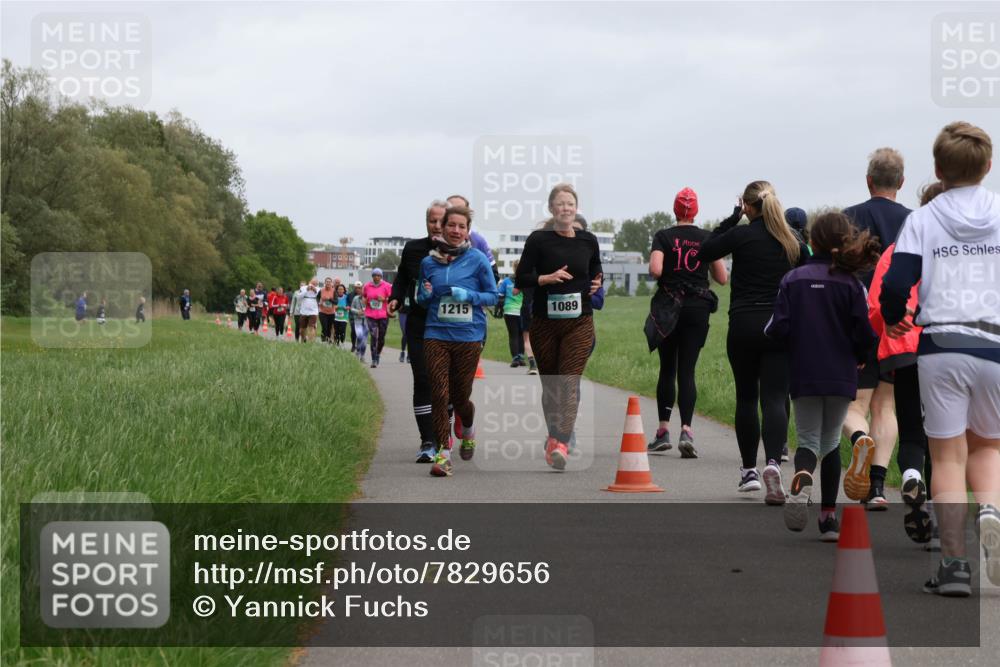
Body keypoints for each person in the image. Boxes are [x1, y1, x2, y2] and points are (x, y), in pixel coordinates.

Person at [881, 121, 1000, 596]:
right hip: (993, 343)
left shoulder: (923, 219)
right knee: (989, 446)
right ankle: (990, 511)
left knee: (947, 457)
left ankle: (954, 567)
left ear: (937, 169)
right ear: (988, 166)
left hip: (940, 345)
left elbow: (895, 282)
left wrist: (894, 317)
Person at [766, 212, 879, 541]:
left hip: (804, 372)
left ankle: (802, 476)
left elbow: (778, 328)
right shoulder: (853, 284)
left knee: (808, 441)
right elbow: (865, 330)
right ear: (846, 242)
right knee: (830, 443)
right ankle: (828, 519)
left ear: (812, 241)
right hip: (842, 375)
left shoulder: (793, 279)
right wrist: (860, 358)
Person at [699, 181, 808, 503]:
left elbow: (705, 251)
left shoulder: (741, 235)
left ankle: (749, 472)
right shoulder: (793, 241)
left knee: (747, 397)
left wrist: (732, 219)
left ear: (747, 206)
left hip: (744, 324)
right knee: (774, 398)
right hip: (778, 325)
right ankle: (773, 462)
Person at [867, 182, 945, 547]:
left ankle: (912, 475)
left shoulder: (897, 250)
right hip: (949, 349)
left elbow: (875, 308)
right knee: (945, 437)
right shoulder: (960, 252)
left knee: (911, 428)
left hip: (903, 350)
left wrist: (891, 328)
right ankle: (939, 510)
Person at [841, 147, 911, 509]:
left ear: (868, 181)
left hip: (858, 325)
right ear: (902, 181)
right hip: (900, 328)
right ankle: (879, 488)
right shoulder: (917, 221)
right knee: (888, 406)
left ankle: (858, 439)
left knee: (855, 406)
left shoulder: (848, 219)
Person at [515, 184, 603, 471]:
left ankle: (562, 442)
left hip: (579, 321)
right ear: (551, 209)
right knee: (551, 384)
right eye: (560, 204)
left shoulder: (588, 240)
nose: (566, 208)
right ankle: (554, 436)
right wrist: (546, 278)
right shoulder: (538, 240)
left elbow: (596, 270)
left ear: (576, 208)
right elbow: (522, 278)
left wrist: (597, 282)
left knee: (568, 382)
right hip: (544, 323)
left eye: (570, 203)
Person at [416, 204, 498, 477]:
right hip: (436, 333)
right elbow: (421, 298)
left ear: (467, 231)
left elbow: (493, 296)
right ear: (443, 227)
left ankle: (469, 426)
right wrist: (425, 295)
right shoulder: (428, 262)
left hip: (469, 335)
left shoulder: (477, 260)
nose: (456, 230)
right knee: (439, 393)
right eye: (451, 225)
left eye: (462, 227)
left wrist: (468, 296)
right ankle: (444, 452)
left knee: (460, 397)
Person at [646, 187, 729, 459]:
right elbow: (722, 278)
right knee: (688, 369)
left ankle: (662, 432)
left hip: (670, 307)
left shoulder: (664, 236)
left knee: (667, 369)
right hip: (697, 308)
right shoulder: (707, 238)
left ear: (674, 210)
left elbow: (656, 269)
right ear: (696, 212)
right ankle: (687, 431)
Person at [388, 200, 449, 462]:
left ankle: (444, 434)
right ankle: (428, 441)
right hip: (419, 323)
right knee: (423, 379)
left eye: (441, 221)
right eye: (431, 221)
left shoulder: (459, 252)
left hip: (449, 326)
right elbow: (402, 276)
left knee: (447, 385)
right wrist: (396, 297)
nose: (436, 226)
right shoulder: (413, 249)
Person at [363, 268, 392, 368]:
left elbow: (392, 299)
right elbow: (364, 296)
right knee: (374, 336)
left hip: (383, 315)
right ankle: (374, 359)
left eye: (379, 275)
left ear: (381, 276)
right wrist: (365, 301)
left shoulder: (387, 286)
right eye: (375, 275)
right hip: (370, 315)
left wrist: (384, 299)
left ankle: (378, 353)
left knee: (381, 338)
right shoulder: (367, 286)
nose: (376, 277)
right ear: (372, 276)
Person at [497, 266, 525, 367]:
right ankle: (521, 357)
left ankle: (515, 358)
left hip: (509, 311)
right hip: (522, 311)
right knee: (522, 335)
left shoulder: (506, 281)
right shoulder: (525, 281)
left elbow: (499, 295)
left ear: (513, 269)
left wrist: (499, 307)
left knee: (513, 335)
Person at [350, 281, 368, 361]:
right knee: (360, 336)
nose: (362, 291)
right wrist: (358, 312)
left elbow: (373, 309)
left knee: (364, 340)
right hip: (357, 320)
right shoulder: (355, 298)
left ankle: (362, 356)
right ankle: (358, 350)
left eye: (363, 290)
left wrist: (366, 311)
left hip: (367, 321)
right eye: (361, 289)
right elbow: (351, 308)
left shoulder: (369, 299)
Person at [318, 277, 338, 343]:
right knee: (324, 326)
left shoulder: (334, 291)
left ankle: (328, 339)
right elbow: (317, 298)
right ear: (325, 283)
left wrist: (330, 299)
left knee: (329, 327)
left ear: (331, 283)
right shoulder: (321, 290)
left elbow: (336, 302)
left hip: (331, 313)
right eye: (327, 281)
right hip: (322, 312)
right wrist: (319, 302)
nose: (328, 283)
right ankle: (323, 338)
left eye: (329, 282)